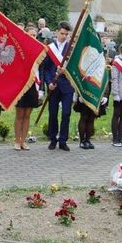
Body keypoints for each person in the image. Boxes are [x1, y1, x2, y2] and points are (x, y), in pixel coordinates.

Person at [42, 21, 74, 151]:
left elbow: (74, 68)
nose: (64, 36)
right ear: (56, 32)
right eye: (62, 33)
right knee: (53, 113)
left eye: (66, 34)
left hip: (67, 86)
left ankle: (63, 140)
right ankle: (53, 139)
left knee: (66, 113)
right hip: (54, 86)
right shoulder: (49, 48)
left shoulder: (71, 49)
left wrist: (65, 71)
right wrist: (49, 82)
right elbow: (46, 68)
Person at [13, 26, 42, 151]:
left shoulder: (39, 50)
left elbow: (41, 70)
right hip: (21, 85)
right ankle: (17, 140)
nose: (32, 37)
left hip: (32, 85)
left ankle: (24, 141)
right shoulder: (19, 49)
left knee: (27, 115)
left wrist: (40, 88)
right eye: (30, 34)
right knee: (19, 114)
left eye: (34, 35)